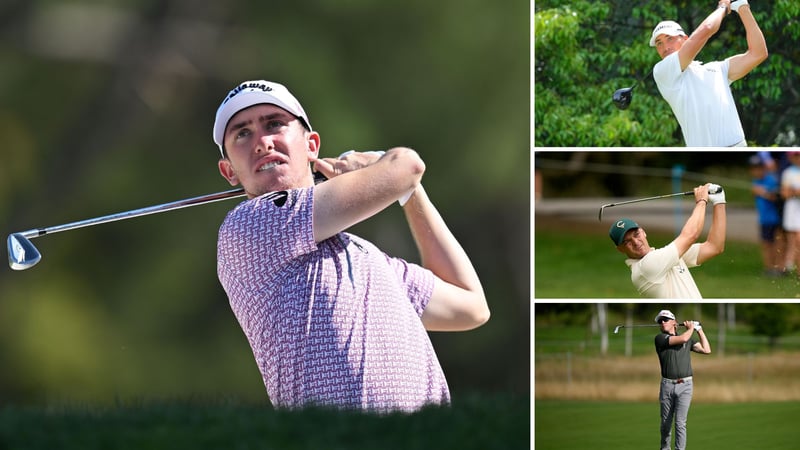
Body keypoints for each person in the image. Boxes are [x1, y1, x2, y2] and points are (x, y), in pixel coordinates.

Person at [211, 80, 489, 412]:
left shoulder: (367, 257)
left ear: (311, 145)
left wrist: (411, 193)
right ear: (229, 170)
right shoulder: (247, 228)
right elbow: (408, 165)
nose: (262, 142)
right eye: (242, 134)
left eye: (274, 124)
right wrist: (389, 166)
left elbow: (470, 306)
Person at [650, 0, 768, 146]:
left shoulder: (717, 69)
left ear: (685, 39)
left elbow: (758, 53)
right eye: (659, 43)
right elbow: (707, 28)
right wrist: (723, 7)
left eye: (670, 38)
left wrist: (742, 6)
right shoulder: (662, 71)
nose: (665, 47)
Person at [609, 183, 726, 298]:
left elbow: (714, 247)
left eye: (636, 234)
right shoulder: (645, 267)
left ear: (643, 232)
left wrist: (719, 202)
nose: (635, 242)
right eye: (627, 242)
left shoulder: (663, 256)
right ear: (620, 249)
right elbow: (691, 235)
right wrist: (701, 201)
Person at [654, 309, 711, 450]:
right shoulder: (660, 339)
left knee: (680, 423)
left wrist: (699, 330)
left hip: (685, 385)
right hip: (667, 386)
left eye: (665, 320)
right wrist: (691, 328)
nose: (662, 322)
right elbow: (683, 339)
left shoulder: (688, 339)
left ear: (674, 322)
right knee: (666, 425)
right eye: (660, 321)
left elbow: (706, 350)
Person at [748, 154, 784, 277]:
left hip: (774, 218)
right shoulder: (755, 182)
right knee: (766, 244)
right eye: (754, 169)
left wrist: (763, 192)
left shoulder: (771, 180)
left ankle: (778, 268)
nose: (757, 171)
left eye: (759, 168)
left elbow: (776, 197)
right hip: (763, 219)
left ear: (764, 168)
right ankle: (768, 268)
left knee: (777, 244)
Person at [780, 151, 800, 279]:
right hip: (792, 209)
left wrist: (794, 191)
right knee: (792, 240)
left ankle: (792, 266)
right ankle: (790, 266)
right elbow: (785, 193)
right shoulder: (788, 172)